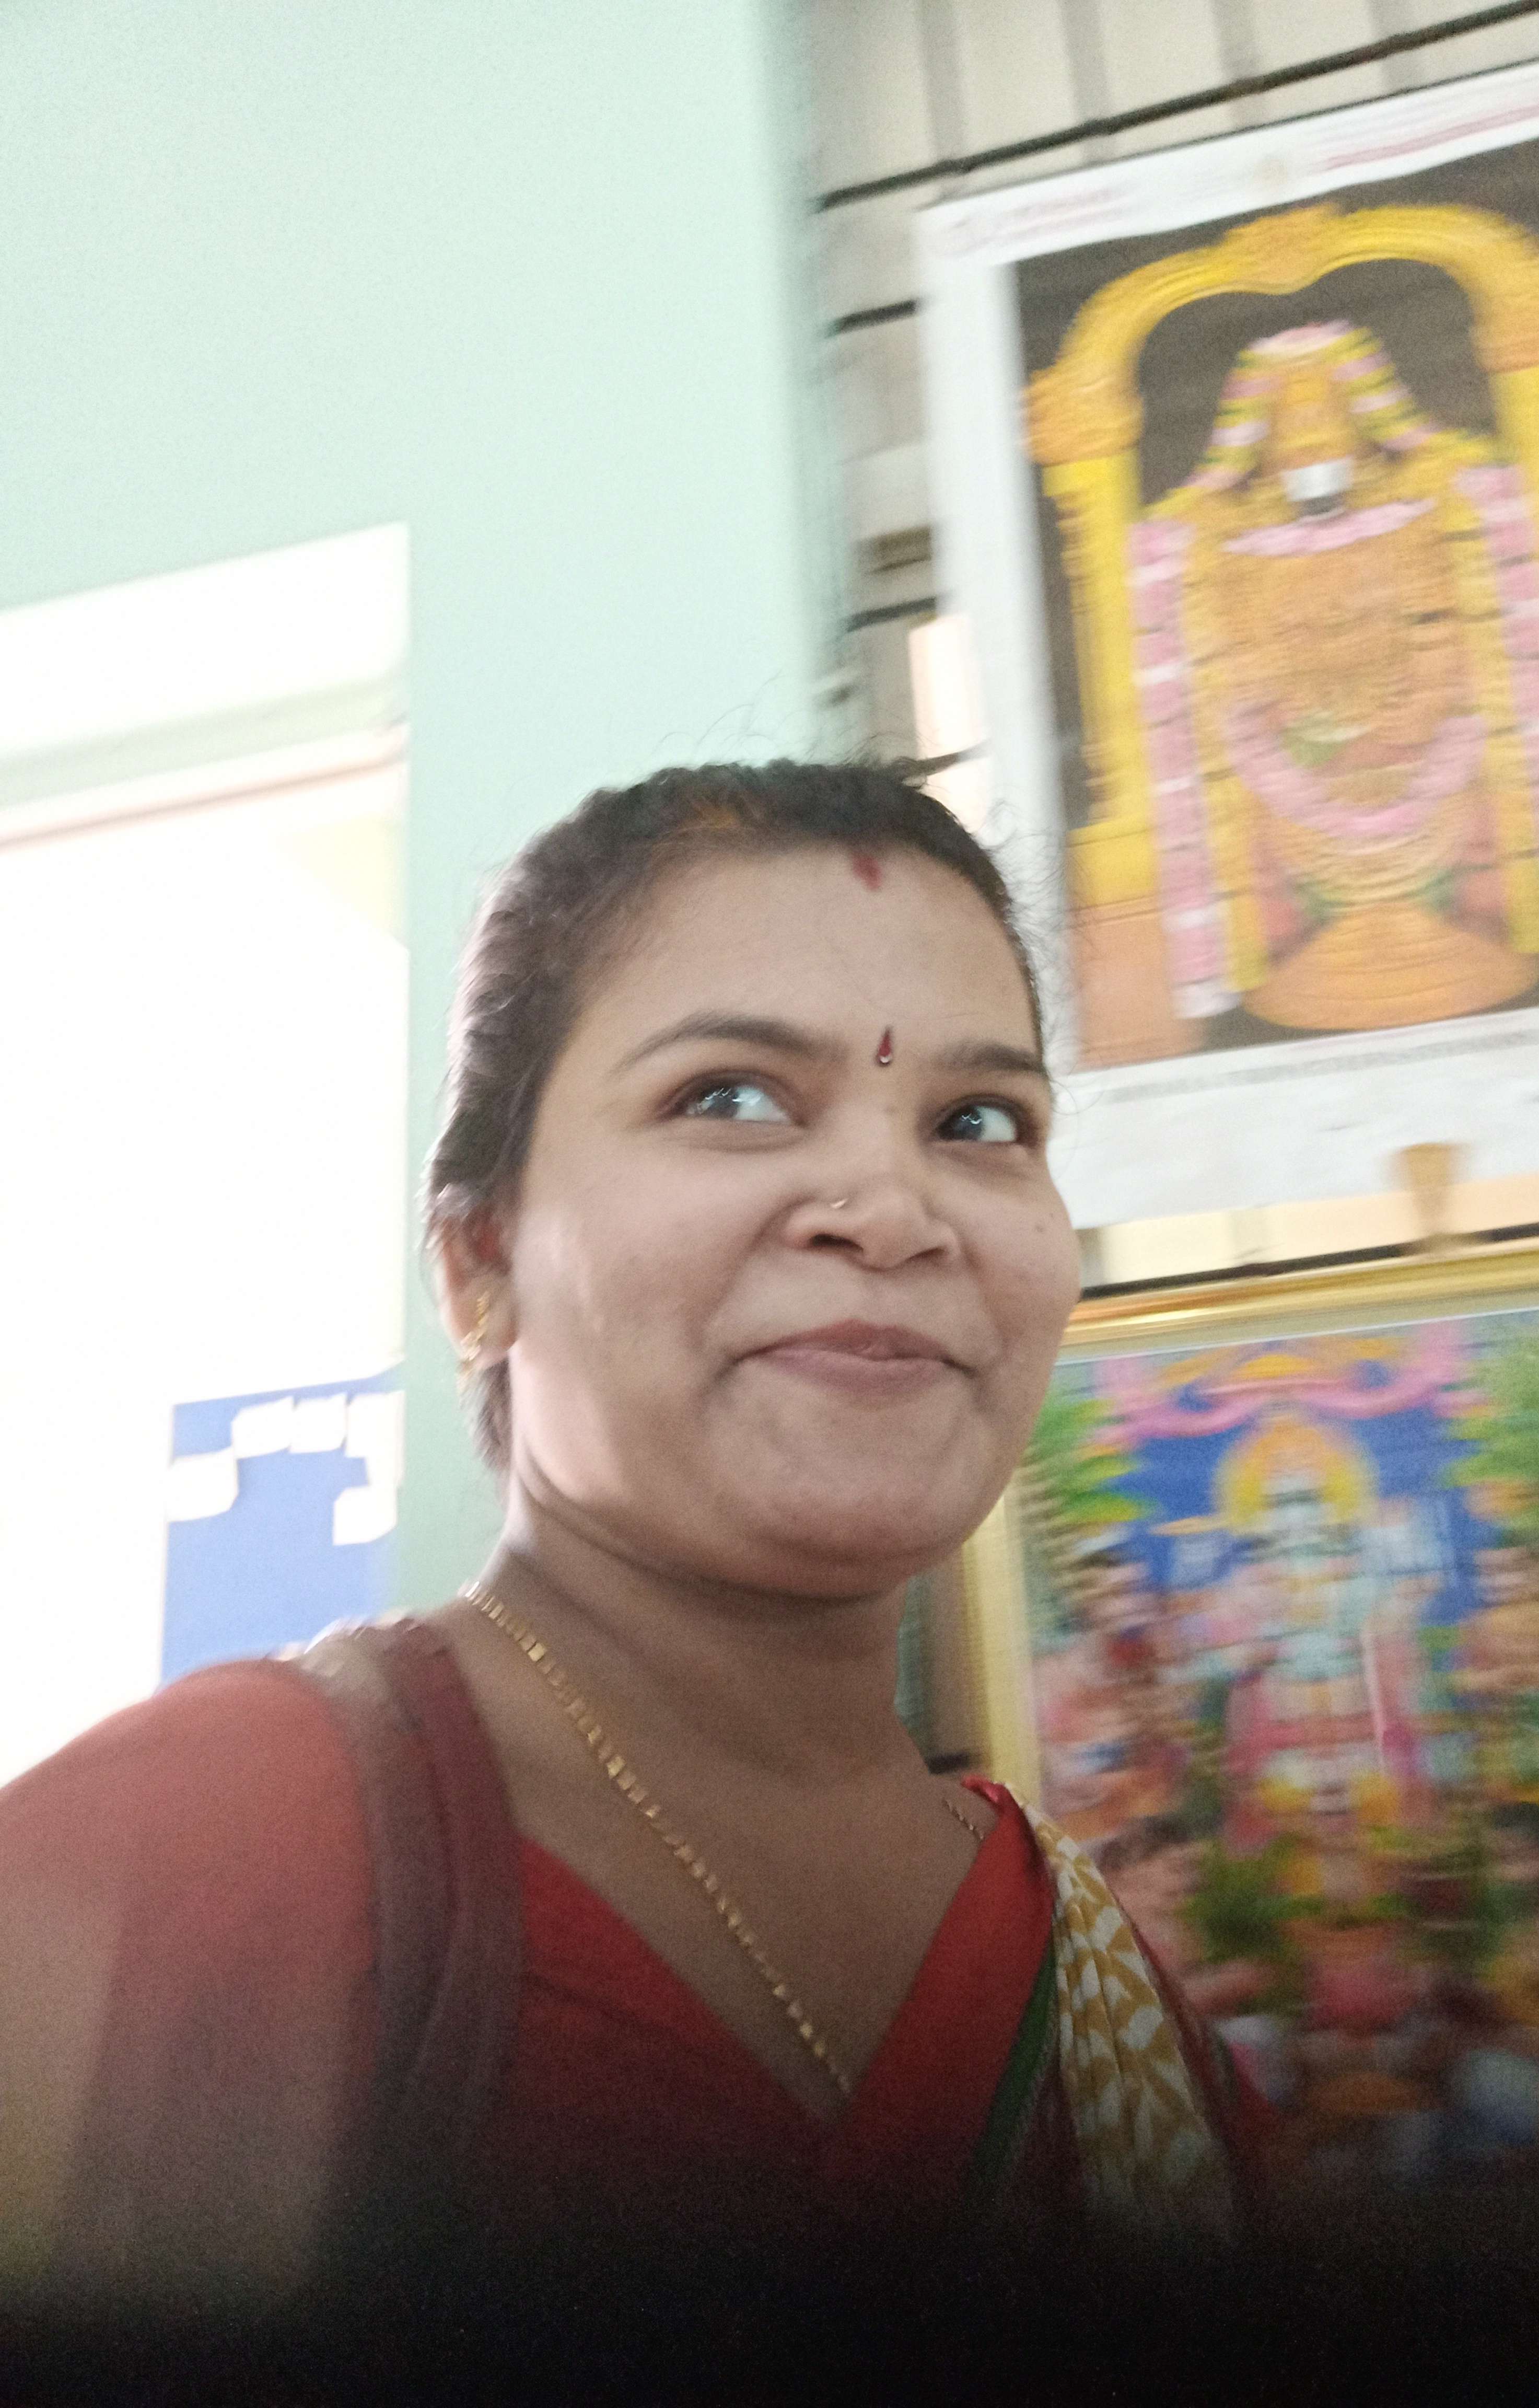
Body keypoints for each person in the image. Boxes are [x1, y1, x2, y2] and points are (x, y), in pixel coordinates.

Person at [0, 764, 1255, 2355]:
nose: (894, 1208)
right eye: (731, 1096)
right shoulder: (200, 1853)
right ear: (479, 1263)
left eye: (978, 1123)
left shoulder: (1110, 1994)